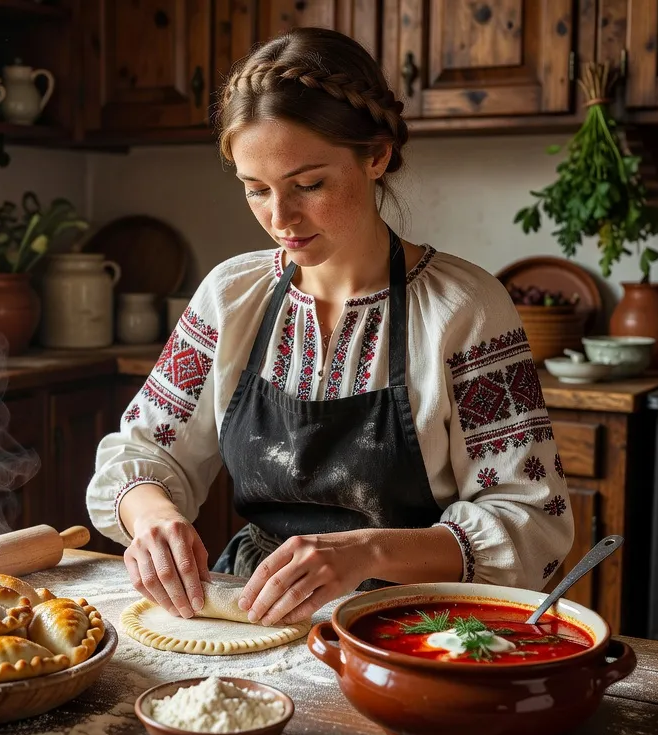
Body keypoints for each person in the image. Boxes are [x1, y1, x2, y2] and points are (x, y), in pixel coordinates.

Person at [84, 27, 574, 629]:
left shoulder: (462, 308)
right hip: (259, 611)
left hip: (419, 627)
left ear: (377, 154)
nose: (280, 218)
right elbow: (142, 453)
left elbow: (533, 520)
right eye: (255, 190)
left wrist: (369, 551)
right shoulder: (231, 296)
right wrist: (153, 516)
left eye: (308, 185)